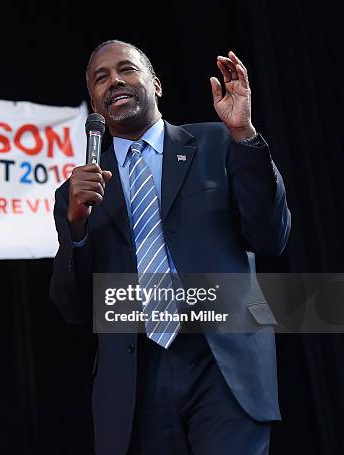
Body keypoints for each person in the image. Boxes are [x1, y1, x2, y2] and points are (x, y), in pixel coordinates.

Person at [49, 40, 291, 455]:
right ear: (93, 101)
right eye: (100, 78)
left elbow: (270, 237)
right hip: (136, 376)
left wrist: (245, 136)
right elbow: (73, 307)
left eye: (126, 70)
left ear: (155, 85)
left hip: (223, 363)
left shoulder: (219, 144)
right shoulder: (78, 194)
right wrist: (76, 226)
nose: (115, 82)